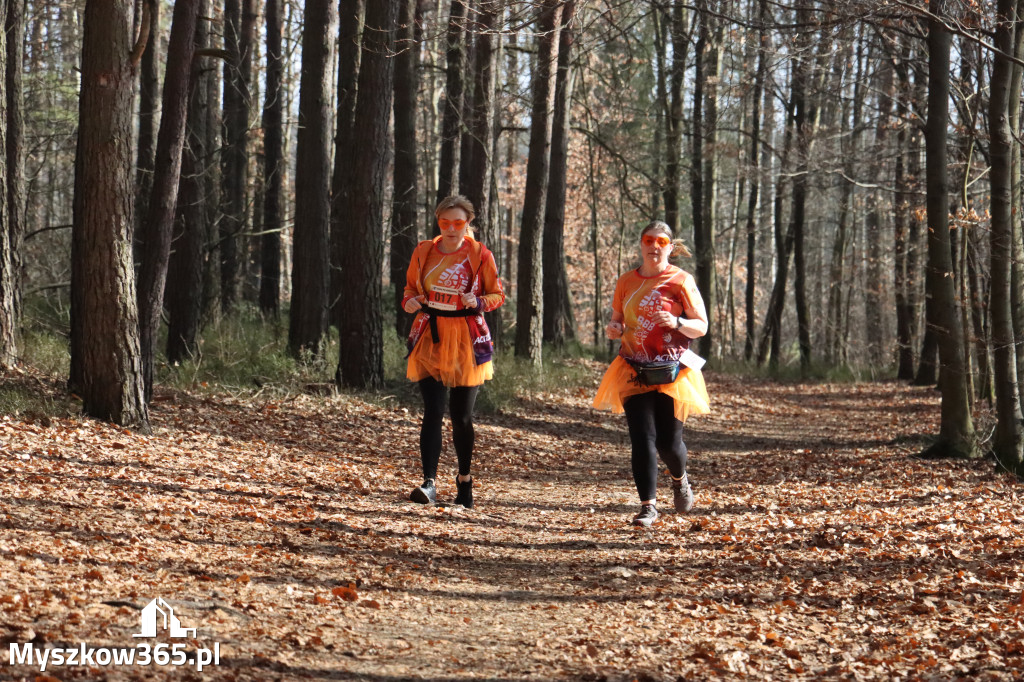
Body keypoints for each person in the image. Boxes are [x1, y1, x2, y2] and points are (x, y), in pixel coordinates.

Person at [593, 221, 711, 527]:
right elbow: (616, 321)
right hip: (633, 366)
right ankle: (648, 506)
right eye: (648, 240)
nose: (654, 246)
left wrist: (676, 323)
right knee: (642, 438)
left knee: (668, 444)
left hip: (672, 369)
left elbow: (701, 325)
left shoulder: (681, 280)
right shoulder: (626, 282)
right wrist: (613, 328)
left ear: (670, 248)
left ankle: (680, 479)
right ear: (641, 244)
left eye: (661, 241)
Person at [402, 196, 505, 509]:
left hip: (465, 339)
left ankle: (464, 480)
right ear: (437, 222)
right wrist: (409, 302)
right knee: (433, 410)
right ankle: (429, 483)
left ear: (468, 223)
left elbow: (497, 294)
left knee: (461, 417)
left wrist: (479, 302)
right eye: (444, 222)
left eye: (457, 223)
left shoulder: (478, 254)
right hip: (430, 336)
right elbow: (410, 289)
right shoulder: (424, 251)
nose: (450, 228)